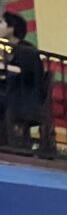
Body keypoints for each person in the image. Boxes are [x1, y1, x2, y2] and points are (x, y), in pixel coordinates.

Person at [1, 12, 44, 145]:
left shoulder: (27, 50)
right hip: (13, 95)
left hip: (25, 98)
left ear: (11, 28)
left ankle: (6, 143)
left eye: (1, 23)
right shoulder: (8, 50)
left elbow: (23, 73)